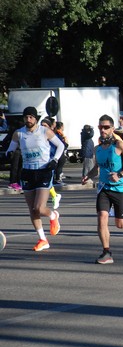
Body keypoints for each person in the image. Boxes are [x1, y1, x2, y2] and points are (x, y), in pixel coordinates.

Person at [82, 114, 123, 264]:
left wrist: (121, 174)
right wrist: (88, 176)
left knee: (120, 225)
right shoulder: (97, 149)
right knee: (102, 217)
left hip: (120, 188)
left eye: (106, 127)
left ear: (112, 129)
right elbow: (97, 168)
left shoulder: (119, 146)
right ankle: (106, 252)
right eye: (101, 127)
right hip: (103, 189)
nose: (103, 130)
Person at [5, 107, 64, 251]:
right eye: (26, 117)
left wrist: (55, 160)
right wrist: (9, 154)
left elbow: (60, 145)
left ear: (35, 118)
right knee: (32, 209)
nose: (28, 120)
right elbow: (10, 149)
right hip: (27, 172)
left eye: (31, 117)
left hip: (43, 170)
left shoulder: (45, 131)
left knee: (39, 207)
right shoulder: (19, 134)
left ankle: (52, 215)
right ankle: (43, 239)